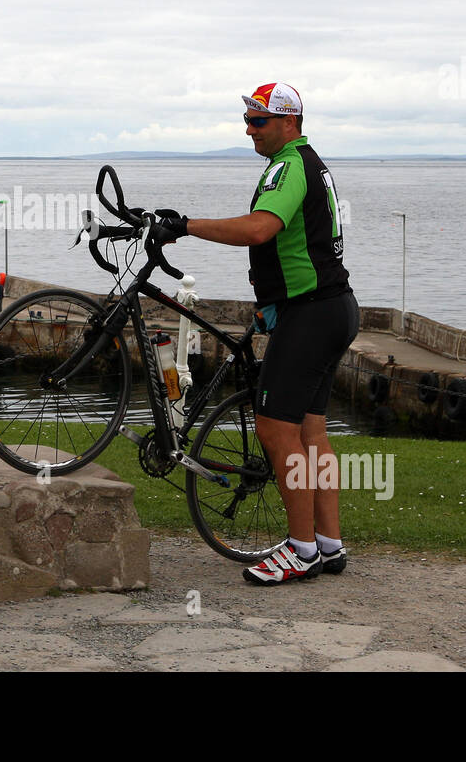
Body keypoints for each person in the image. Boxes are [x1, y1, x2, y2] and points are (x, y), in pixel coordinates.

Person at [156, 83, 359, 585]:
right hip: (332, 308)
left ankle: (300, 550)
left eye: (259, 121)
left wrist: (185, 226)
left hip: (312, 313)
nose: (249, 130)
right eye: (247, 120)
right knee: (311, 431)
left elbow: (259, 230)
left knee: (273, 426)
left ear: (289, 122)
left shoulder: (289, 166)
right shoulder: (308, 162)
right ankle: (328, 545)